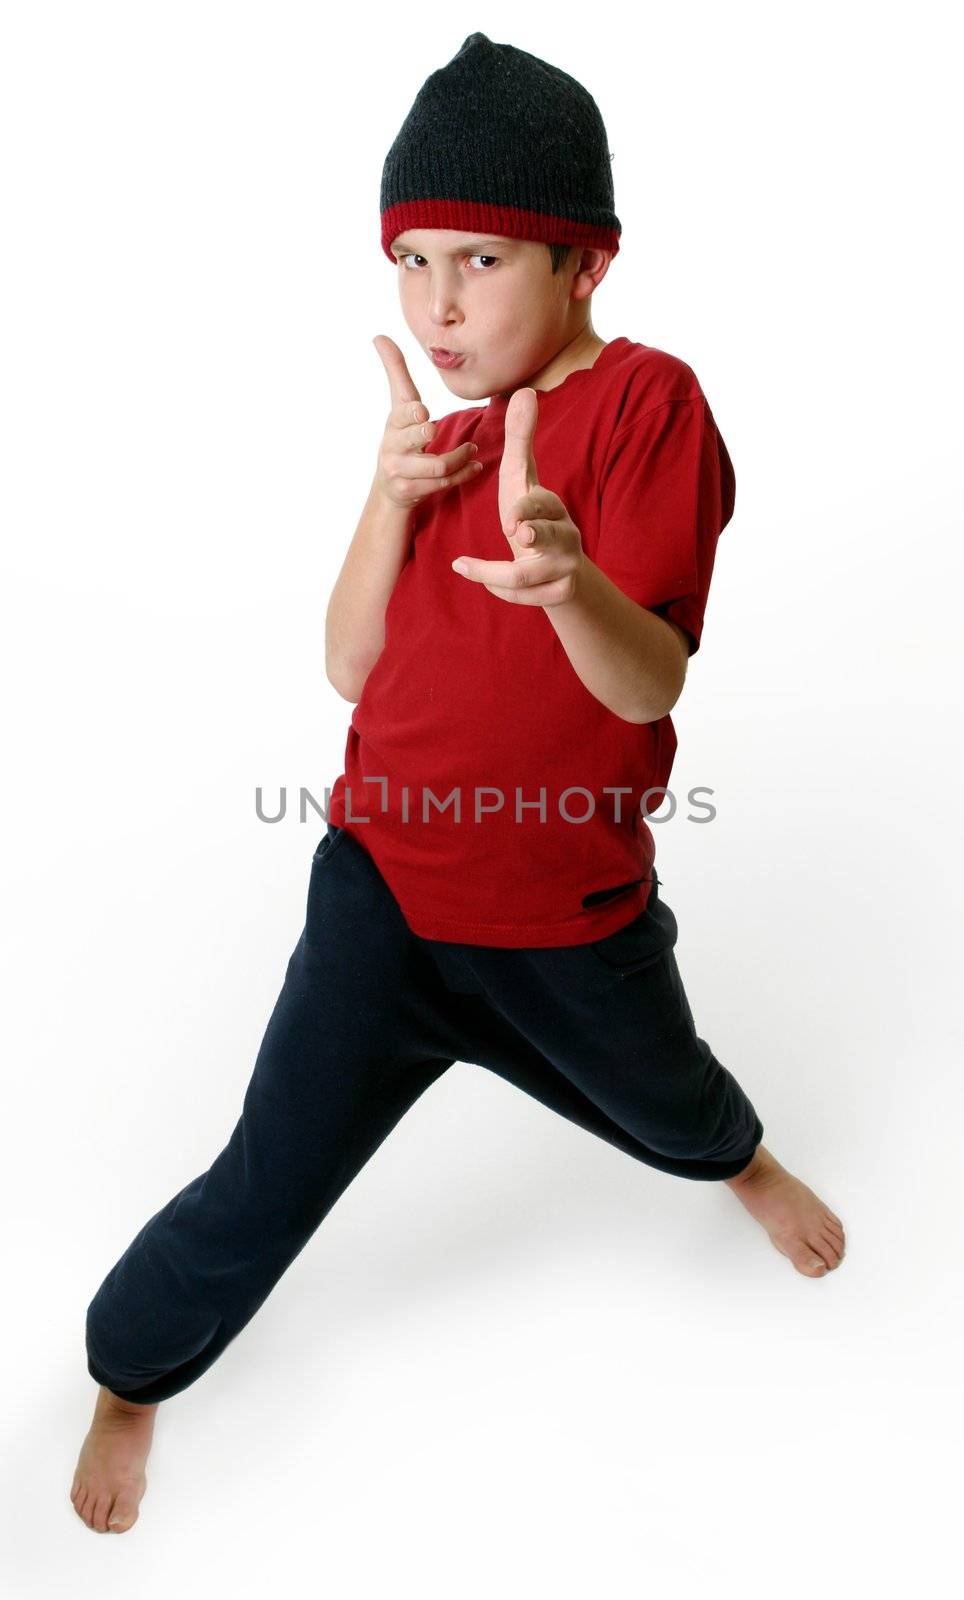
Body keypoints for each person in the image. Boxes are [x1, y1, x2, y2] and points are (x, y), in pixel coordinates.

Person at [71, 32, 845, 1536]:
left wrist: (565, 580)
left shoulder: (644, 407)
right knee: (261, 1179)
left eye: (478, 259)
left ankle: (741, 1165)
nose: (435, 303)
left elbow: (648, 684)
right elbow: (350, 670)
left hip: (565, 910)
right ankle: (129, 1373)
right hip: (380, 897)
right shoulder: (440, 438)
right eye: (411, 260)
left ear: (583, 265)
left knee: (669, 1095)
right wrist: (387, 491)